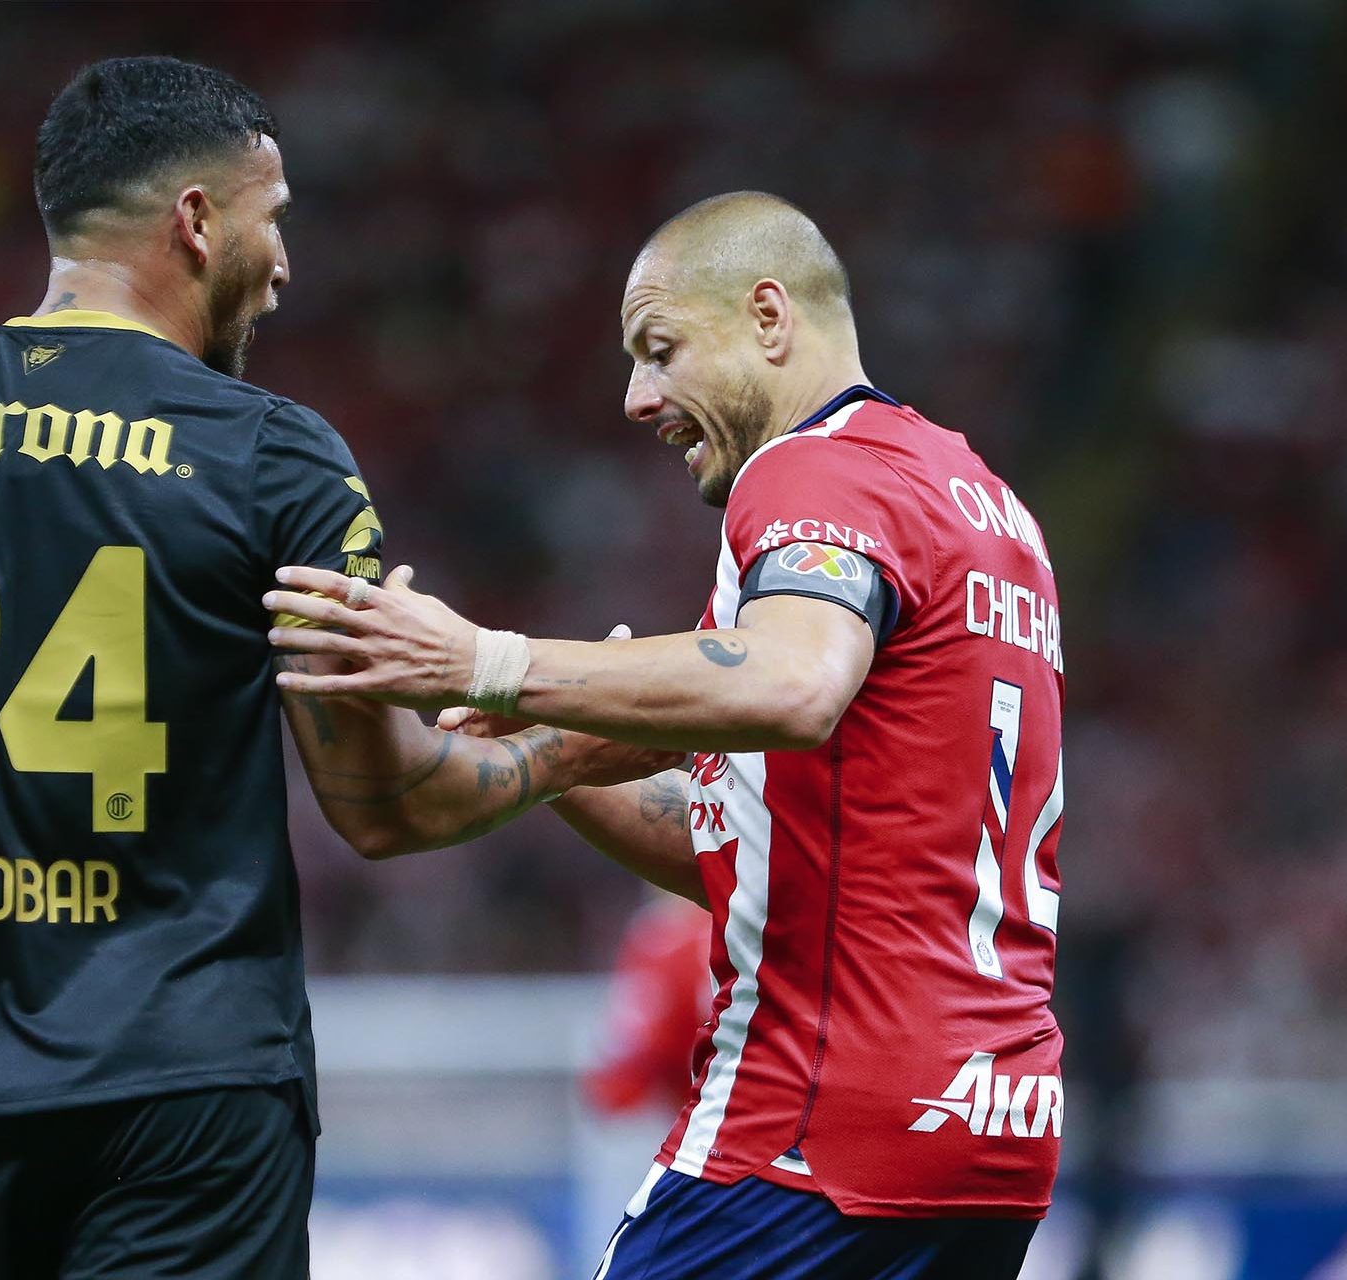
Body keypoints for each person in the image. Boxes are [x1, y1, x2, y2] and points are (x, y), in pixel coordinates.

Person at [0, 56, 668, 1280]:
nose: (285, 265)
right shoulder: (274, 458)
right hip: (191, 1100)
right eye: (273, 219)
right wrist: (572, 747)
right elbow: (386, 806)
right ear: (196, 222)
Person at [266, 191, 1066, 1279]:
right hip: (989, 1133)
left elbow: (792, 683)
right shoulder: (985, 504)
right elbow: (768, 857)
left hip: (817, 1129)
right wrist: (555, 733)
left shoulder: (814, 467)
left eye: (660, 350)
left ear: (769, 317)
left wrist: (488, 658)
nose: (638, 398)